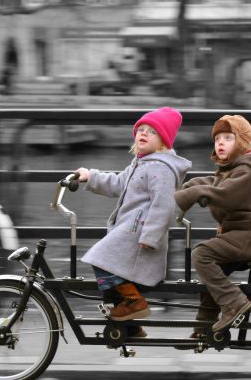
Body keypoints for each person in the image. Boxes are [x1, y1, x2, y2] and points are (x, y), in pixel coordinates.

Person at [76, 107, 192, 333]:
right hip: (129, 232)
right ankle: (130, 326)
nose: (144, 133)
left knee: (100, 258)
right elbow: (119, 183)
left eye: (152, 131)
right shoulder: (141, 163)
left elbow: (164, 204)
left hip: (140, 235)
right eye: (141, 129)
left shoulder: (161, 168)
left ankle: (134, 303)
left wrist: (151, 236)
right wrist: (91, 176)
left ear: (163, 141)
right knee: (108, 273)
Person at [174, 115, 251, 333]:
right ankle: (204, 327)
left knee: (203, 254)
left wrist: (193, 193)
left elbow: (226, 194)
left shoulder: (246, 170)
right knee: (214, 270)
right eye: (217, 138)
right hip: (244, 232)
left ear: (242, 142)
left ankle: (234, 302)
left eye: (228, 138)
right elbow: (217, 183)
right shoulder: (234, 168)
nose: (220, 142)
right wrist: (193, 184)